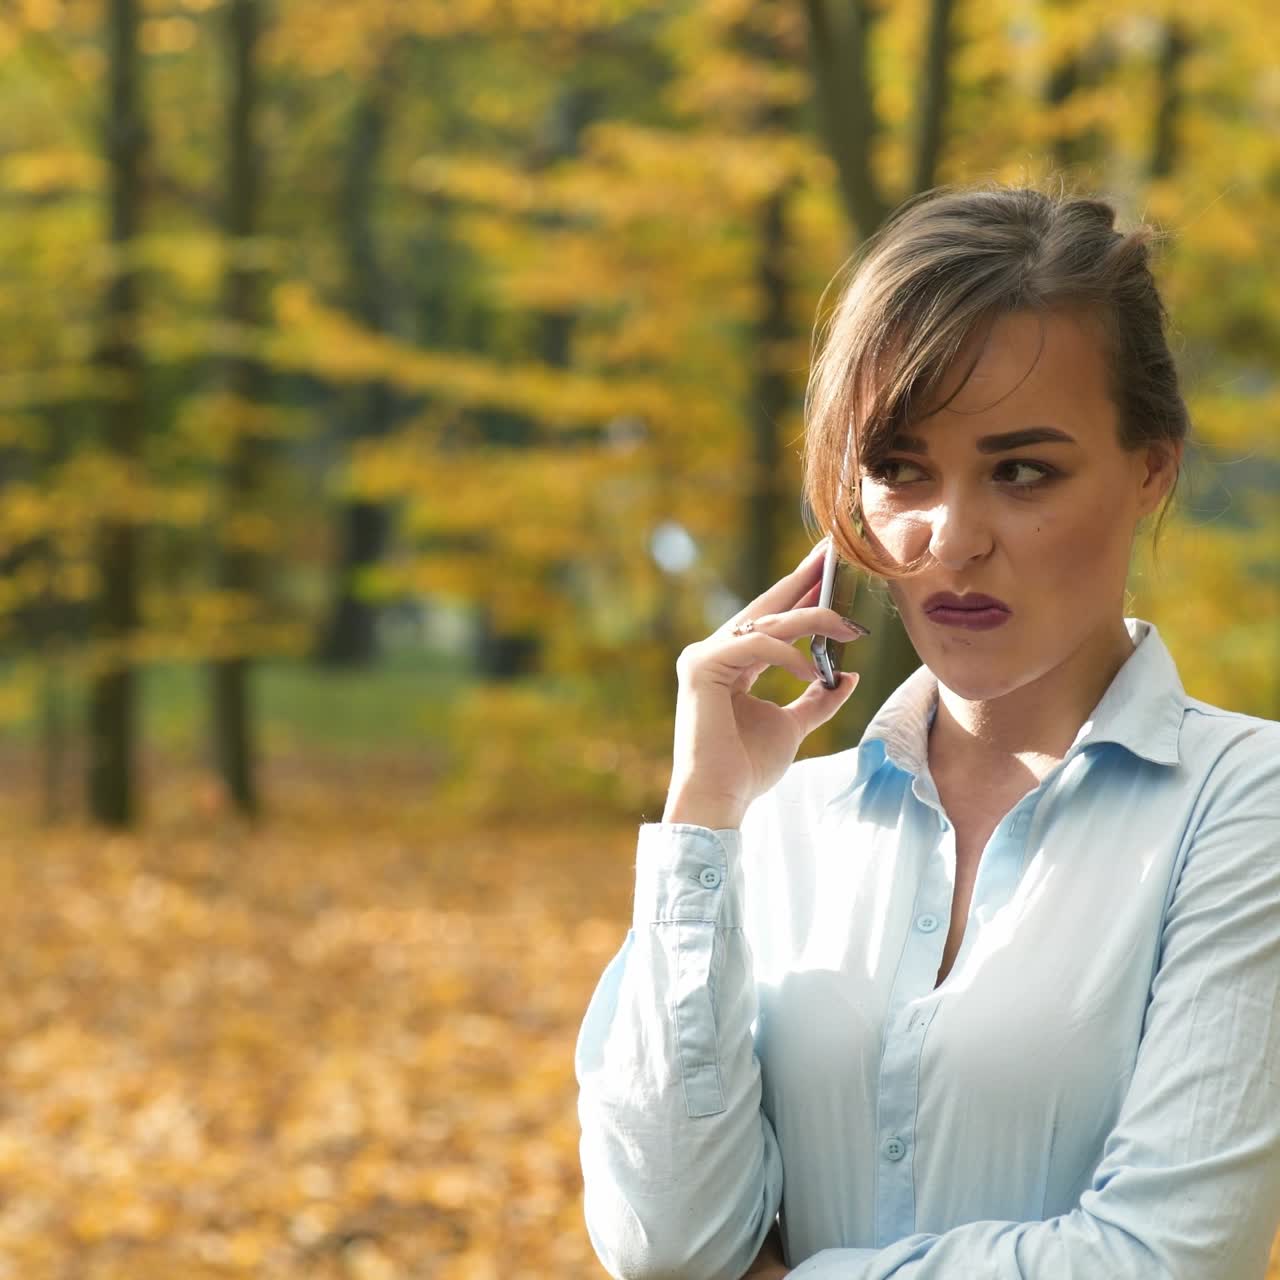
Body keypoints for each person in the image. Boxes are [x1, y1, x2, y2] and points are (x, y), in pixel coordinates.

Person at [573, 181, 1280, 1279]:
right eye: (899, 468)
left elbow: (1163, 1259)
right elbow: (664, 1241)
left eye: (1020, 470)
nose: (948, 541)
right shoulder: (780, 824)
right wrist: (703, 815)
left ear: (1150, 469)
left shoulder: (1245, 806)